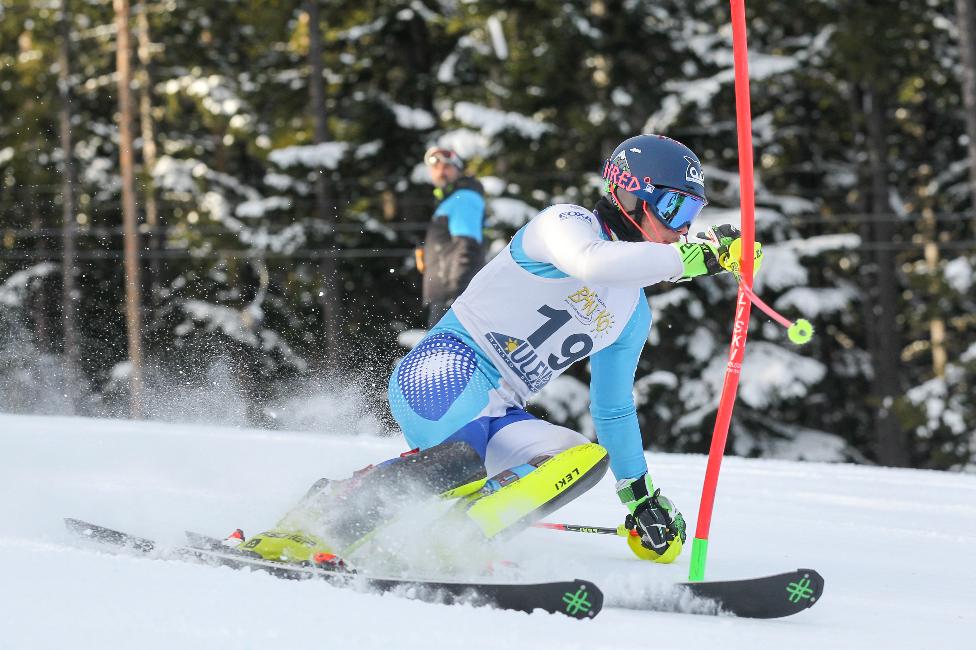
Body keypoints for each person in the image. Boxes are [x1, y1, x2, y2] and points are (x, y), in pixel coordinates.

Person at [237, 134, 761, 569]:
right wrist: (695, 258)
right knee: (462, 460)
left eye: (692, 213)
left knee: (580, 458)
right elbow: (593, 263)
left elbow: (614, 408)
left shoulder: (633, 312)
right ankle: (313, 525)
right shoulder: (565, 224)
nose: (682, 228)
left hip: (500, 408)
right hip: (446, 365)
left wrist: (641, 498)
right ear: (629, 193)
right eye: (674, 207)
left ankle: (451, 541)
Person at [415, 146, 486, 327]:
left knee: (441, 346)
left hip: (452, 296)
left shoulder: (463, 197)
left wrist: (456, 294)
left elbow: (467, 246)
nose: (441, 171)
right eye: (435, 167)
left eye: (447, 166)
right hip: (446, 293)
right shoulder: (452, 199)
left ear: (458, 169)